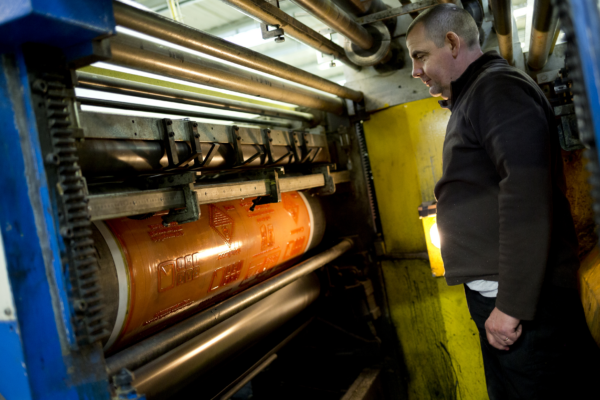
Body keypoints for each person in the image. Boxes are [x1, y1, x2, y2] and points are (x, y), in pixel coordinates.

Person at [406, 3, 599, 399]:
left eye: (420, 56)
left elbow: (526, 196)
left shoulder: (497, 90)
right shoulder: (477, 95)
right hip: (508, 299)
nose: (415, 71)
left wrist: (511, 306)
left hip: (523, 307)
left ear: (453, 42)